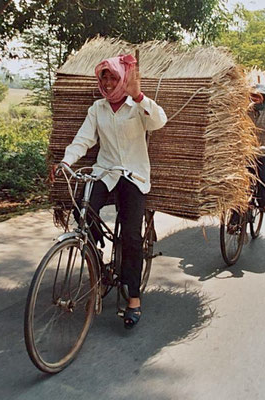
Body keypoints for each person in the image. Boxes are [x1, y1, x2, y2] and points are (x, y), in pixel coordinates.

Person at [50, 54, 167, 329]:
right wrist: (67, 161)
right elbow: (84, 139)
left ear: (123, 79)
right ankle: (98, 263)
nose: (108, 83)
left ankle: (134, 299)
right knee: (83, 212)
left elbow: (159, 121)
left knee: (130, 236)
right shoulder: (97, 109)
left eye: (113, 77)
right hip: (105, 172)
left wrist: (138, 96)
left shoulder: (137, 106)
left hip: (134, 175)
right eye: (104, 78)